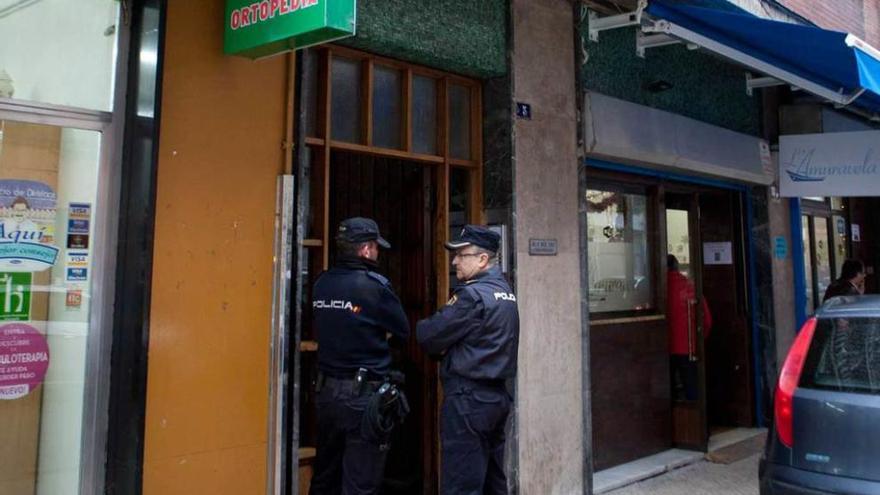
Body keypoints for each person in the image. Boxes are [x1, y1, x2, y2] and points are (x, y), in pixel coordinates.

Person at [309, 217, 410, 495]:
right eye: (376, 247)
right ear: (366, 249)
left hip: (326, 394)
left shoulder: (322, 283)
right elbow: (402, 332)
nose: (377, 252)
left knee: (325, 476)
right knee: (360, 482)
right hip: (362, 397)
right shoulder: (375, 286)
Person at [416, 225, 519, 495]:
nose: (454, 261)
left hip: (469, 401)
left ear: (482, 259)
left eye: (461, 255)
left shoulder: (472, 296)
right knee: (493, 481)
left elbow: (429, 335)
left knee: (462, 484)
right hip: (496, 397)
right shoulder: (505, 292)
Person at [667, 254, 712, 401]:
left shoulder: (658, 290)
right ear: (677, 267)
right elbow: (707, 320)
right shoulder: (690, 287)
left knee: (667, 391)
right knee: (691, 389)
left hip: (663, 348)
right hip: (689, 347)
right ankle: (692, 421)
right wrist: (699, 339)